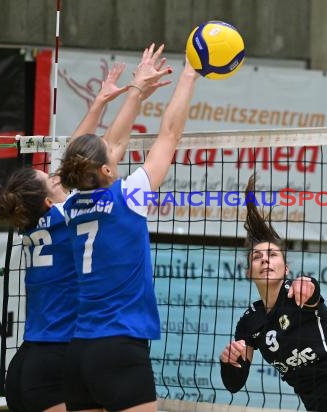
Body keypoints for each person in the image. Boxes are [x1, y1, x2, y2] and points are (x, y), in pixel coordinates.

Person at [0, 61, 138, 412]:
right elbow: (99, 150)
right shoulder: (67, 214)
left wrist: (99, 102)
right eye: (51, 180)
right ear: (48, 199)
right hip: (57, 361)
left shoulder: (27, 221)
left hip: (25, 364)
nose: (57, 177)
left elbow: (70, 159)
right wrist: (135, 93)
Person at [57, 45, 199, 412]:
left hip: (79, 353)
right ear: (106, 169)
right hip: (119, 348)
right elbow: (170, 134)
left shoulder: (70, 204)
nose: (113, 150)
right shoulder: (128, 197)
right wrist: (190, 73)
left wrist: (137, 90)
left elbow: (111, 145)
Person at [219, 175, 327, 412]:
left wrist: (308, 287)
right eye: (257, 257)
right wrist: (228, 363)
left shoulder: (297, 292)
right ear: (249, 272)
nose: (265, 260)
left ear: (286, 267)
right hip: (317, 402)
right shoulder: (250, 322)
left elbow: (310, 292)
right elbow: (234, 385)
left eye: (272, 255)